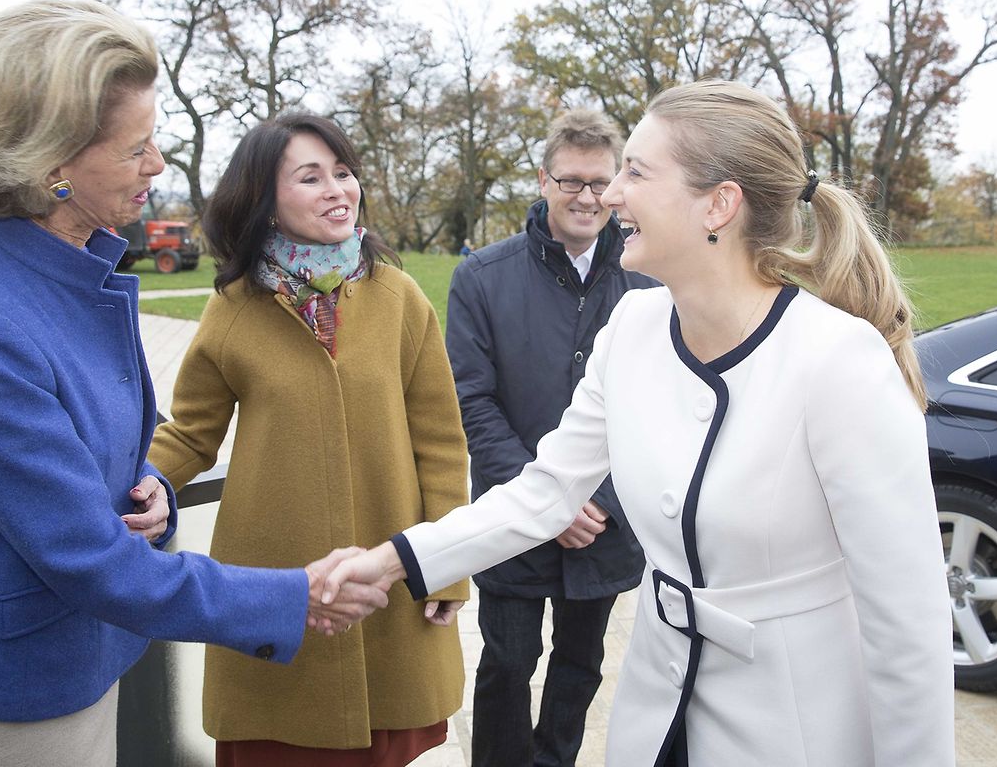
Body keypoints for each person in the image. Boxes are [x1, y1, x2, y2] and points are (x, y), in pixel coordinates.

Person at [323, 80, 955, 766]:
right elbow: (544, 493)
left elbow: (908, 630)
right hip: (657, 712)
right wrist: (389, 562)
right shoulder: (633, 326)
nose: (610, 193)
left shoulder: (837, 360)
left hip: (794, 727)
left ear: (718, 203)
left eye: (635, 171)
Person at [0, 0, 384, 767]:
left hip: (84, 654)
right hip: (14, 699)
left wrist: (147, 482)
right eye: (136, 150)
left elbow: (88, 455)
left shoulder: (65, 269)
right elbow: (88, 559)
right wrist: (295, 596)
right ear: (51, 166)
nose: (157, 166)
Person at [148, 112, 469, 766]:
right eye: (311, 176)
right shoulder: (233, 307)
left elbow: (440, 441)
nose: (337, 190)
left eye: (343, 173)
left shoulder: (400, 297)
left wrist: (447, 566)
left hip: (388, 581)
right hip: (277, 592)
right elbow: (190, 432)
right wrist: (149, 482)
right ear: (265, 202)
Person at [446, 108, 655, 767]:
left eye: (600, 182)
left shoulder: (650, 278)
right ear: (542, 179)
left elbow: (663, 407)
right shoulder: (482, 277)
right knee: (507, 666)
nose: (587, 198)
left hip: (606, 521)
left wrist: (600, 501)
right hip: (513, 513)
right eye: (570, 182)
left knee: (579, 668)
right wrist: (549, 499)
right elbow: (471, 401)